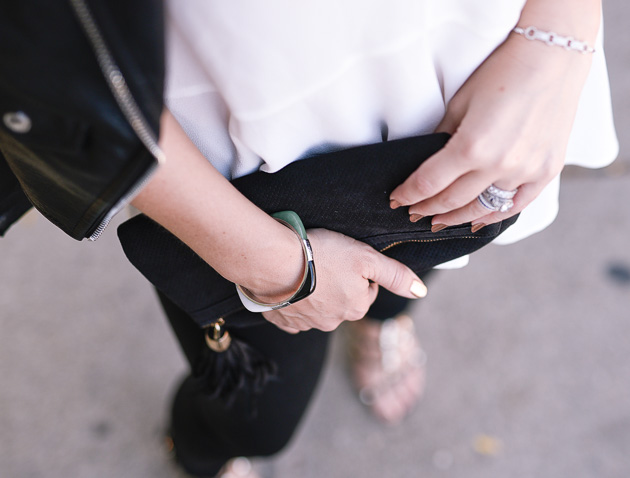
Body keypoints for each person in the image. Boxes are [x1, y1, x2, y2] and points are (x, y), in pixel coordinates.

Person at [0, 0, 618, 477]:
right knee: (257, 420)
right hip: (232, 167)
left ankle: (383, 318)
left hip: (473, 78)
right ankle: (201, 450)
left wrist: (557, 38)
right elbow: (41, 69)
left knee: (422, 257)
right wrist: (283, 270)